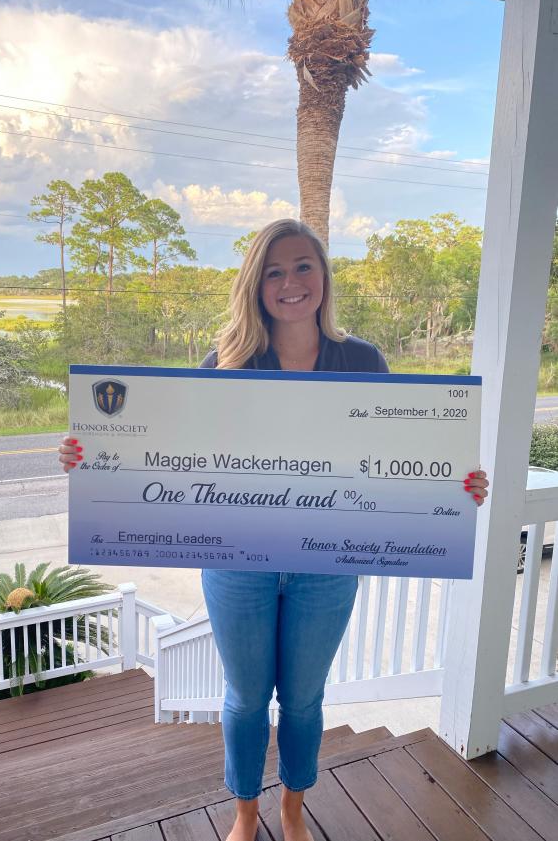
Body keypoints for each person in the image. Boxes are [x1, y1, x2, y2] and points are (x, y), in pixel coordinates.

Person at [59, 219, 489, 841]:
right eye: (274, 271)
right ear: (256, 285)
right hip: (239, 563)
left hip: (327, 565)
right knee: (245, 699)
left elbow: (398, 454)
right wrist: (94, 455)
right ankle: (245, 812)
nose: (291, 282)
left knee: (305, 700)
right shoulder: (227, 363)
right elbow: (173, 453)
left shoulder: (362, 360)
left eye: (303, 266)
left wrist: (456, 485)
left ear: (323, 275)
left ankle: (292, 807)